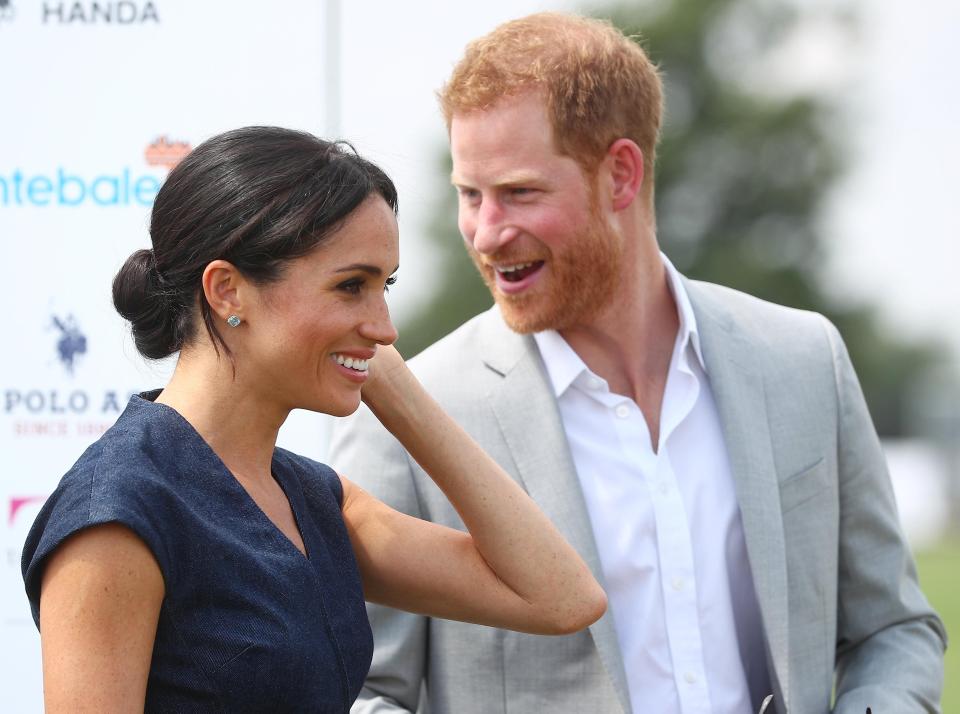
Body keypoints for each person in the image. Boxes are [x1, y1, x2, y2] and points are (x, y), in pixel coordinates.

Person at [328, 12, 947, 714]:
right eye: (470, 194)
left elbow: (894, 631)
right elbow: (365, 692)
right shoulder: (406, 412)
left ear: (620, 173)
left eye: (520, 192)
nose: (488, 232)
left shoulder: (804, 360)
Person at [20, 126, 606, 713]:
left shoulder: (314, 498)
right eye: (351, 286)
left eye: (385, 286)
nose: (384, 327)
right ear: (227, 291)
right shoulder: (119, 512)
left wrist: (408, 404)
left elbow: (561, 599)